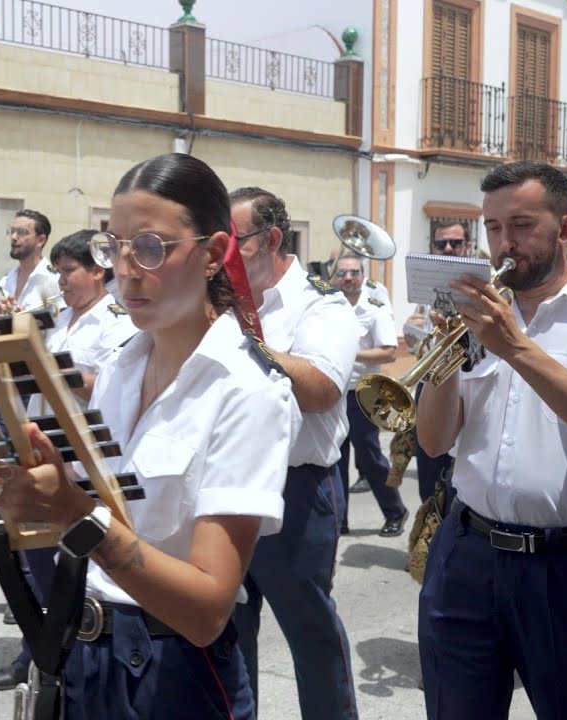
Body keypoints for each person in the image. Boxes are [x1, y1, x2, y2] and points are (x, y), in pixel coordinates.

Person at [0, 152, 297, 719]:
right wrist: (21, 497)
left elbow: (206, 609)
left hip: (173, 672)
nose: (125, 269)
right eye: (115, 246)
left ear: (213, 255)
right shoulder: (122, 367)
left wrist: (77, 517)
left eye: (151, 247)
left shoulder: (249, 391)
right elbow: (83, 519)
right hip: (82, 650)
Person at [416, 160, 567, 720]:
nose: (504, 243)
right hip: (465, 554)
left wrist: (515, 348)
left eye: (521, 225)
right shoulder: (478, 313)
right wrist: (446, 355)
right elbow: (432, 443)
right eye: (493, 227)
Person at [228, 187, 359, 719]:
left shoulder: (321, 304)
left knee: (310, 636)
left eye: (233, 242)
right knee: (226, 632)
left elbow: (321, 389)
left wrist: (244, 339)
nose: (222, 256)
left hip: (297, 489)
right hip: (229, 484)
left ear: (272, 239)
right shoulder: (220, 302)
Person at [0, 228, 137, 690]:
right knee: (38, 566)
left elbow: (103, 387)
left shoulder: (117, 320)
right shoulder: (58, 318)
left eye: (69, 271)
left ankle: (68, 656)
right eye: (56, 272)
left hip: (84, 463)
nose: (61, 282)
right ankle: (40, 651)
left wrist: (41, 362)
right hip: (40, 456)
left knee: (76, 569)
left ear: (98, 272)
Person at [333, 253, 407, 537]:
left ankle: (395, 511)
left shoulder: (375, 307)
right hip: (335, 392)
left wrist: (351, 354)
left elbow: (389, 350)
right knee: (336, 458)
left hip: (364, 395)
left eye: (353, 273)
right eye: (342, 273)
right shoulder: (330, 305)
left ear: (362, 276)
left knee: (371, 458)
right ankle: (340, 520)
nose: (348, 278)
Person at [401, 220, 471, 505]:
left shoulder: (485, 288)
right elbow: (419, 347)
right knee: (429, 481)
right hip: (431, 384)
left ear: (467, 247)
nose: (448, 249)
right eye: (441, 244)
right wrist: (413, 334)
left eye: (455, 243)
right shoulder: (426, 291)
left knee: (460, 479)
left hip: (468, 389)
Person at [0, 209, 61, 312]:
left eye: (22, 232)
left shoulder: (54, 280)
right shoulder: (6, 280)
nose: (13, 237)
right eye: (12, 231)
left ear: (40, 240)